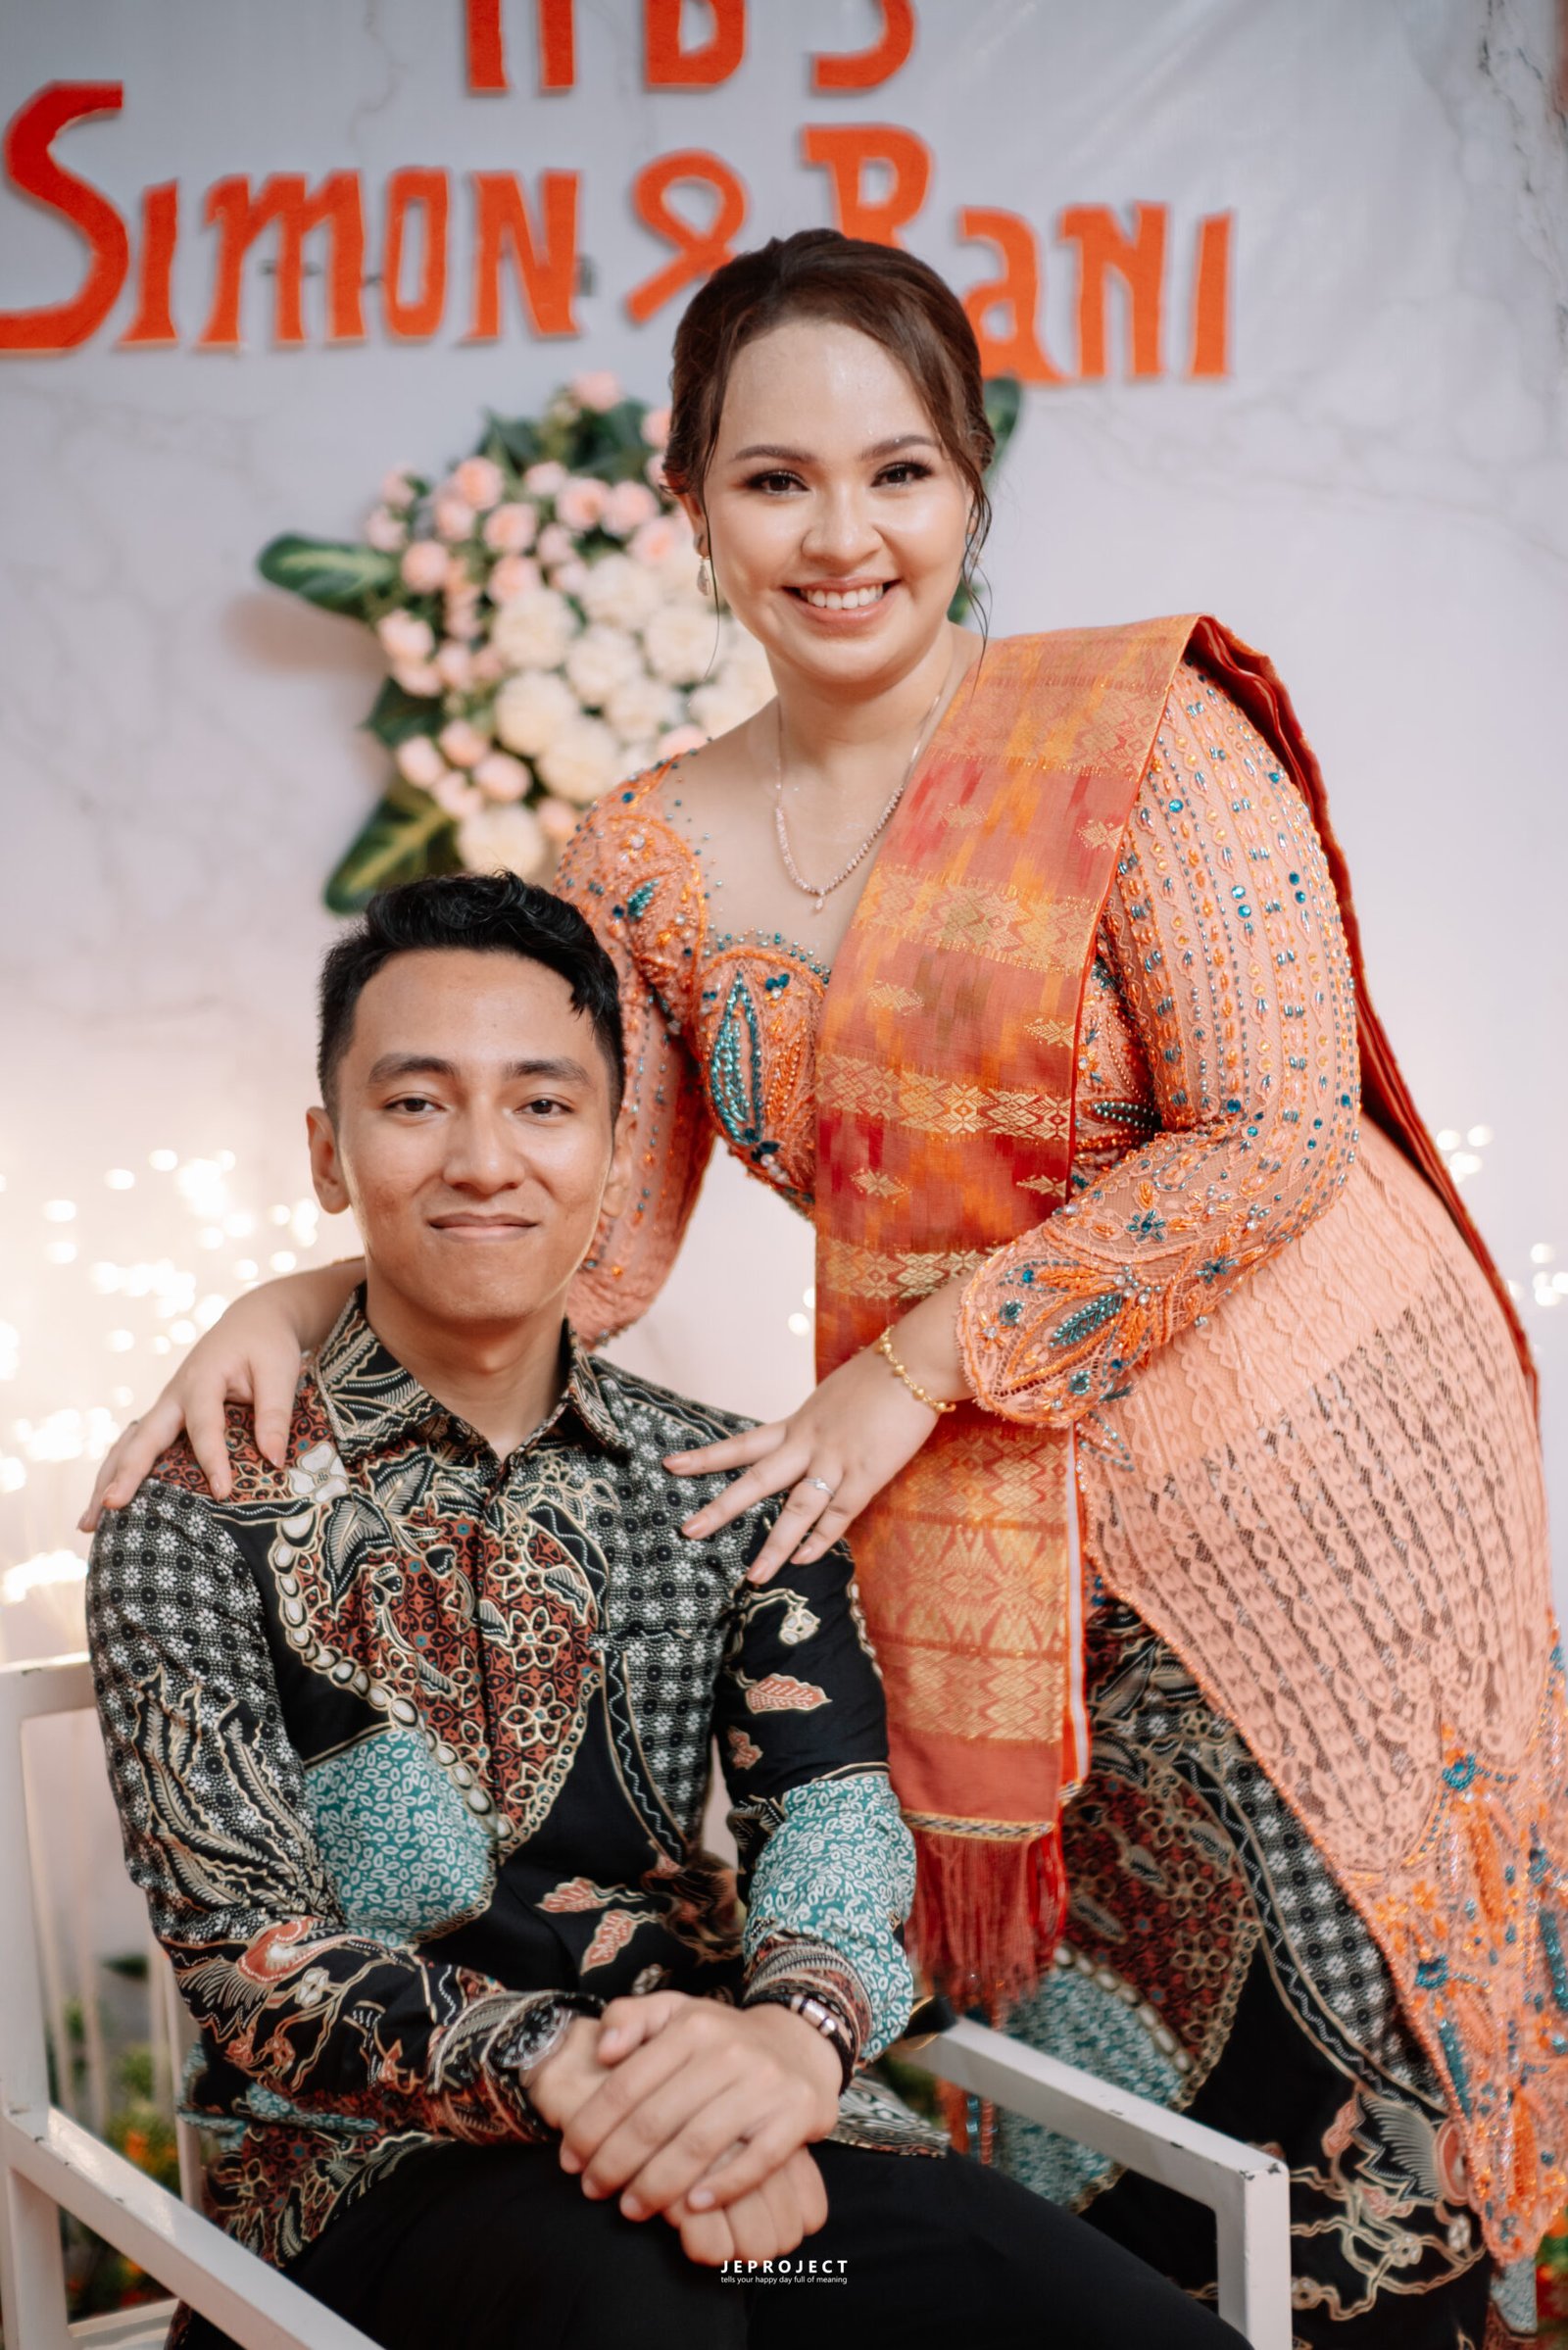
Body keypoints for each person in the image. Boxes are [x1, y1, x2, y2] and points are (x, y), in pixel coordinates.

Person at [87, 231, 1564, 2345]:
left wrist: (915, 1367)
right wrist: (292, 1291)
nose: (840, 534)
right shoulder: (650, 851)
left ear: (970, 485)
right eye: (774, 479)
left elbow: (1270, 1126)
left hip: (1299, 1476)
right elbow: (572, 1222)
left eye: (899, 472)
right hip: (984, 1530)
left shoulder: (1134, 738)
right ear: (689, 503)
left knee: (1340, 2011)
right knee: (1090, 2044)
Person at [85, 874, 1240, 2350]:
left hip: (737, 2128)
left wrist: (789, 2049)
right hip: (369, 2182)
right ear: (331, 1153)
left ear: (615, 1150)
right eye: (418, 1103)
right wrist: (583, 2075)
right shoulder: (194, 1505)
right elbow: (243, 1946)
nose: (484, 1159)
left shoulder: (725, 1485)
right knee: (660, 2317)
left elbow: (830, 1824)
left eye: (543, 1105)